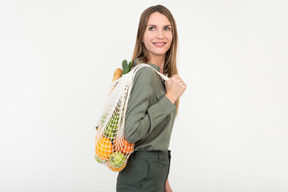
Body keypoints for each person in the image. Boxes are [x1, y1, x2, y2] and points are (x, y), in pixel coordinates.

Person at [116, 4, 186, 192]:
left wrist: (164, 182)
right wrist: (169, 98)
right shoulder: (144, 73)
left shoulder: (161, 77)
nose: (161, 35)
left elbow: (155, 138)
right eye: (152, 28)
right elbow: (132, 132)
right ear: (142, 36)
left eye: (166, 28)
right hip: (141, 177)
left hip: (153, 174)